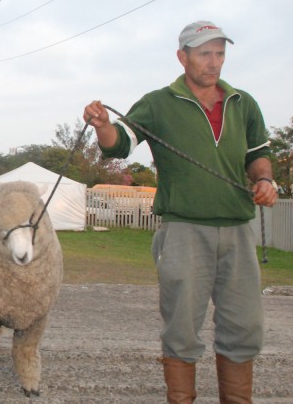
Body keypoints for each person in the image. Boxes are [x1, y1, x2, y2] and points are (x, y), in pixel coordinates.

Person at [83, 21, 278, 403]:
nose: (215, 62)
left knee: (244, 327)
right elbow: (119, 145)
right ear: (182, 56)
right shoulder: (158, 103)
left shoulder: (244, 103)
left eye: (220, 53)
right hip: (184, 230)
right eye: (205, 53)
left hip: (239, 230)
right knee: (182, 328)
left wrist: (266, 180)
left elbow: (258, 156)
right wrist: (103, 125)